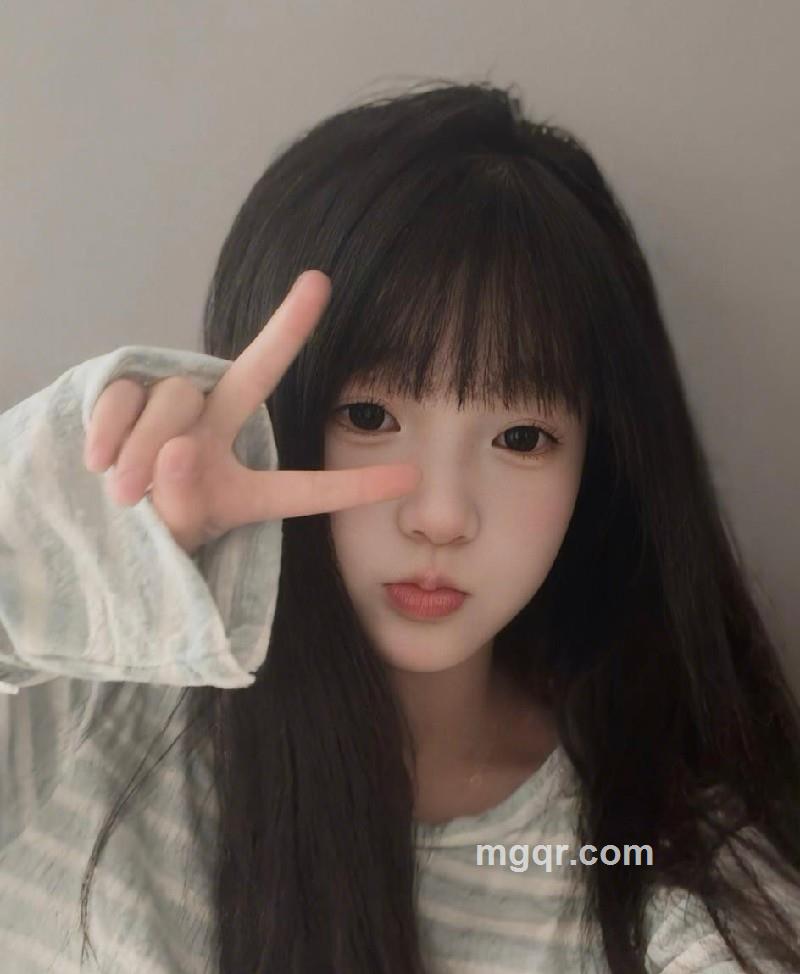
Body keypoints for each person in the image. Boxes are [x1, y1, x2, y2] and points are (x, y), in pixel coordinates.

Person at [1, 80, 799, 973]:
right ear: (277, 414)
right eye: (369, 416)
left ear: (597, 467)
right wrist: (74, 506)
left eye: (521, 437)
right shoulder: (81, 712)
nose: (441, 517)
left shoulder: (653, 872)